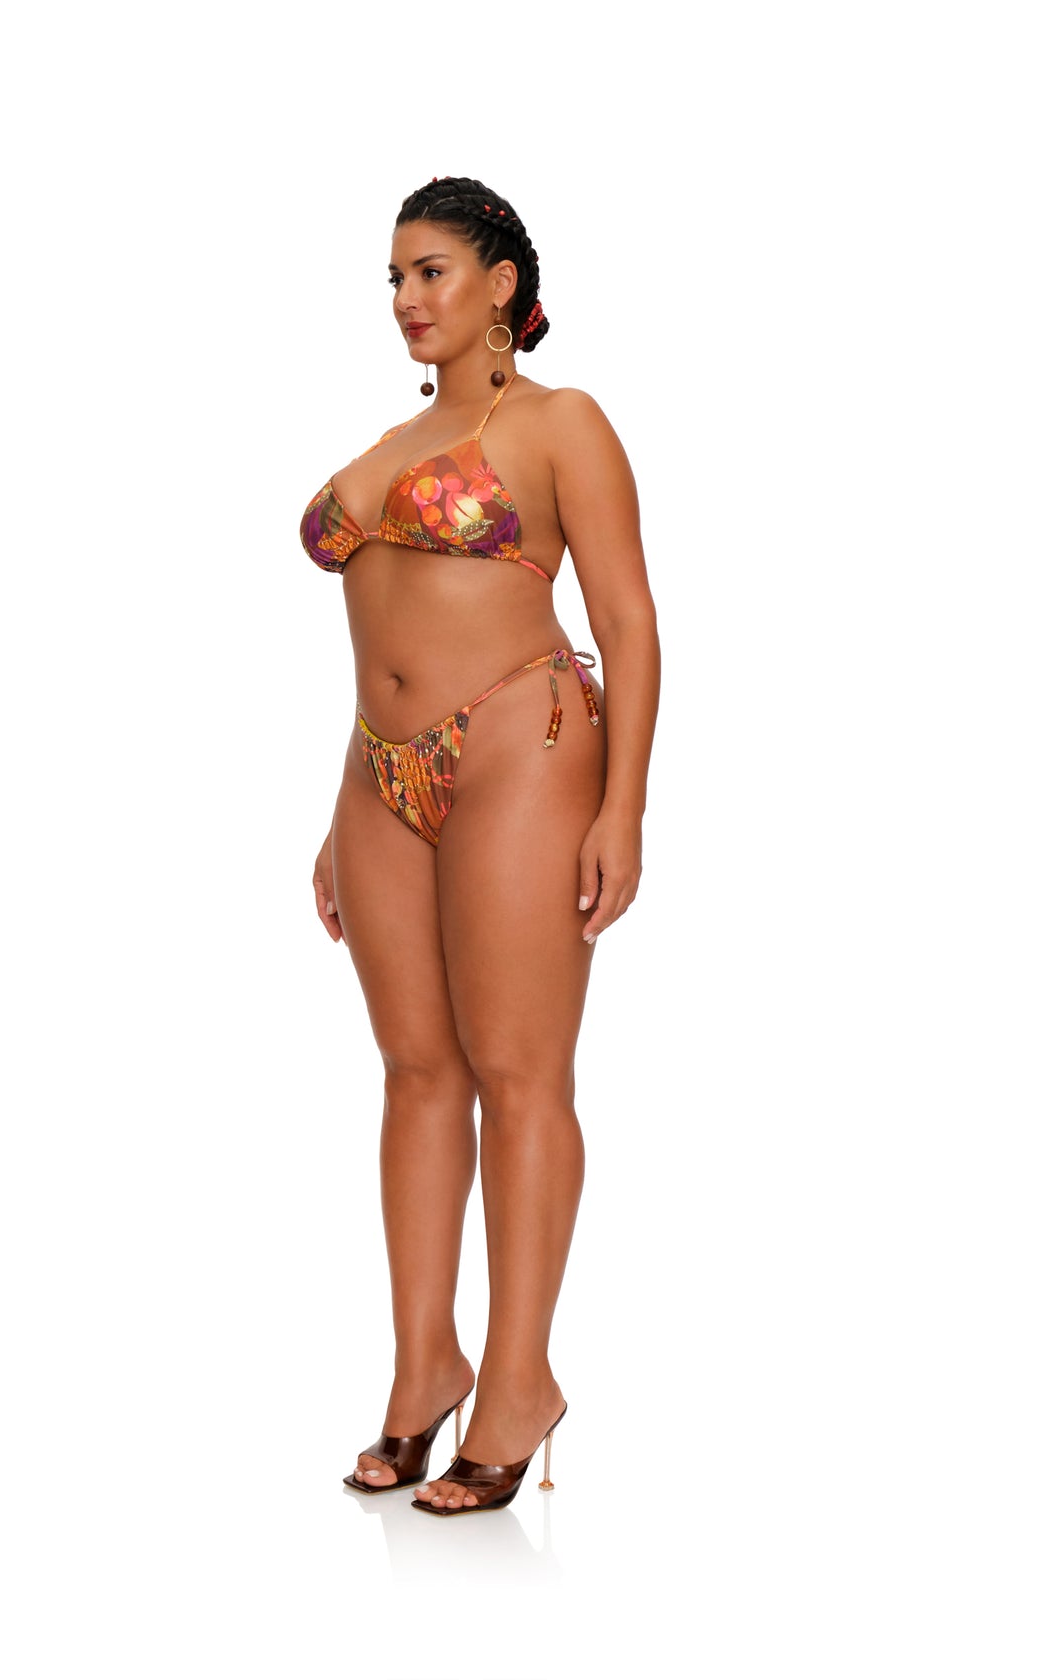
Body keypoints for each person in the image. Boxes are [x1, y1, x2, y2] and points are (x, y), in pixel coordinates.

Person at [300, 176, 660, 1514]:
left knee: (519, 1072)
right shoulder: (394, 441)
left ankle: (519, 1381)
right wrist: (339, 814)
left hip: (524, 744)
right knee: (414, 1073)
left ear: (503, 284)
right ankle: (424, 1369)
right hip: (377, 773)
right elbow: (385, 630)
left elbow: (628, 620)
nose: (407, 298)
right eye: (395, 278)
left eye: (432, 271)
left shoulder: (561, 424)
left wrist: (624, 808)